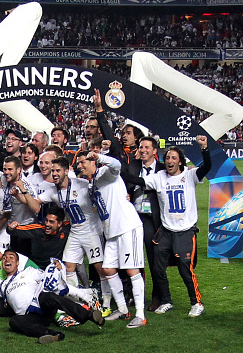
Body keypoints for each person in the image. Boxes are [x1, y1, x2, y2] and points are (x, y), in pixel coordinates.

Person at [124, 136, 210, 317]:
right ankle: (166, 300)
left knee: (184, 267)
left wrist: (204, 148)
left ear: (180, 161)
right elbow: (137, 181)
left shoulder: (189, 175)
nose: (170, 161)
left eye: (173, 158)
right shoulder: (159, 177)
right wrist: (118, 169)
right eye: (167, 158)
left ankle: (196, 302)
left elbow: (207, 167)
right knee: (157, 268)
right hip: (165, 231)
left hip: (185, 231)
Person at [0, 250, 104, 342]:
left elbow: (51, 281)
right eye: (4, 258)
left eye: (11, 257)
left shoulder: (29, 272)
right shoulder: (1, 285)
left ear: (18, 263)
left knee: (47, 296)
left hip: (43, 305)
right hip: (30, 316)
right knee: (14, 322)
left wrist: (56, 268)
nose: (7, 259)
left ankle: (88, 315)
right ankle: (52, 335)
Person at [74, 150, 146, 328]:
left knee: (131, 270)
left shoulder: (107, 174)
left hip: (128, 227)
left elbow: (117, 166)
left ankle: (140, 314)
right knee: (108, 269)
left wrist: (100, 157)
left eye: (84, 162)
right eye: (79, 163)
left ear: (93, 162)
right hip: (112, 231)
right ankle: (122, 309)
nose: (80, 166)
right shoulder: (92, 184)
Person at [23, 157, 107, 289]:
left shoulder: (82, 184)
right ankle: (76, 296)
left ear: (66, 171)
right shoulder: (52, 191)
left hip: (92, 232)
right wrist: (22, 192)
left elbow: (101, 193)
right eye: (53, 171)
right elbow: (35, 204)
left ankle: (107, 300)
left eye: (58, 170)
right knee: (69, 266)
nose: (54, 174)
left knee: (100, 268)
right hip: (75, 231)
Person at [121, 136, 165, 311]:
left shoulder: (163, 169)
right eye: (141, 147)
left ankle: (157, 297)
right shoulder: (133, 167)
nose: (143, 150)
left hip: (153, 220)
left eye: (147, 147)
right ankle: (135, 294)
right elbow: (125, 185)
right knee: (134, 260)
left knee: (155, 262)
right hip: (134, 218)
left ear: (155, 151)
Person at [7, 205, 69, 269]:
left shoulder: (66, 229)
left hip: (55, 266)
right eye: (46, 220)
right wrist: (11, 227)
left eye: (51, 222)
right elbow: (12, 231)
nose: (47, 224)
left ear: (59, 224)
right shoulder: (37, 229)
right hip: (35, 267)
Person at [0, 156, 37, 256]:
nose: (6, 172)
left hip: (24, 229)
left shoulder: (26, 185)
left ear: (18, 170)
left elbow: (36, 207)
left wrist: (19, 194)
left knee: (21, 259)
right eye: (5, 169)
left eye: (10, 169)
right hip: (9, 227)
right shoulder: (3, 179)